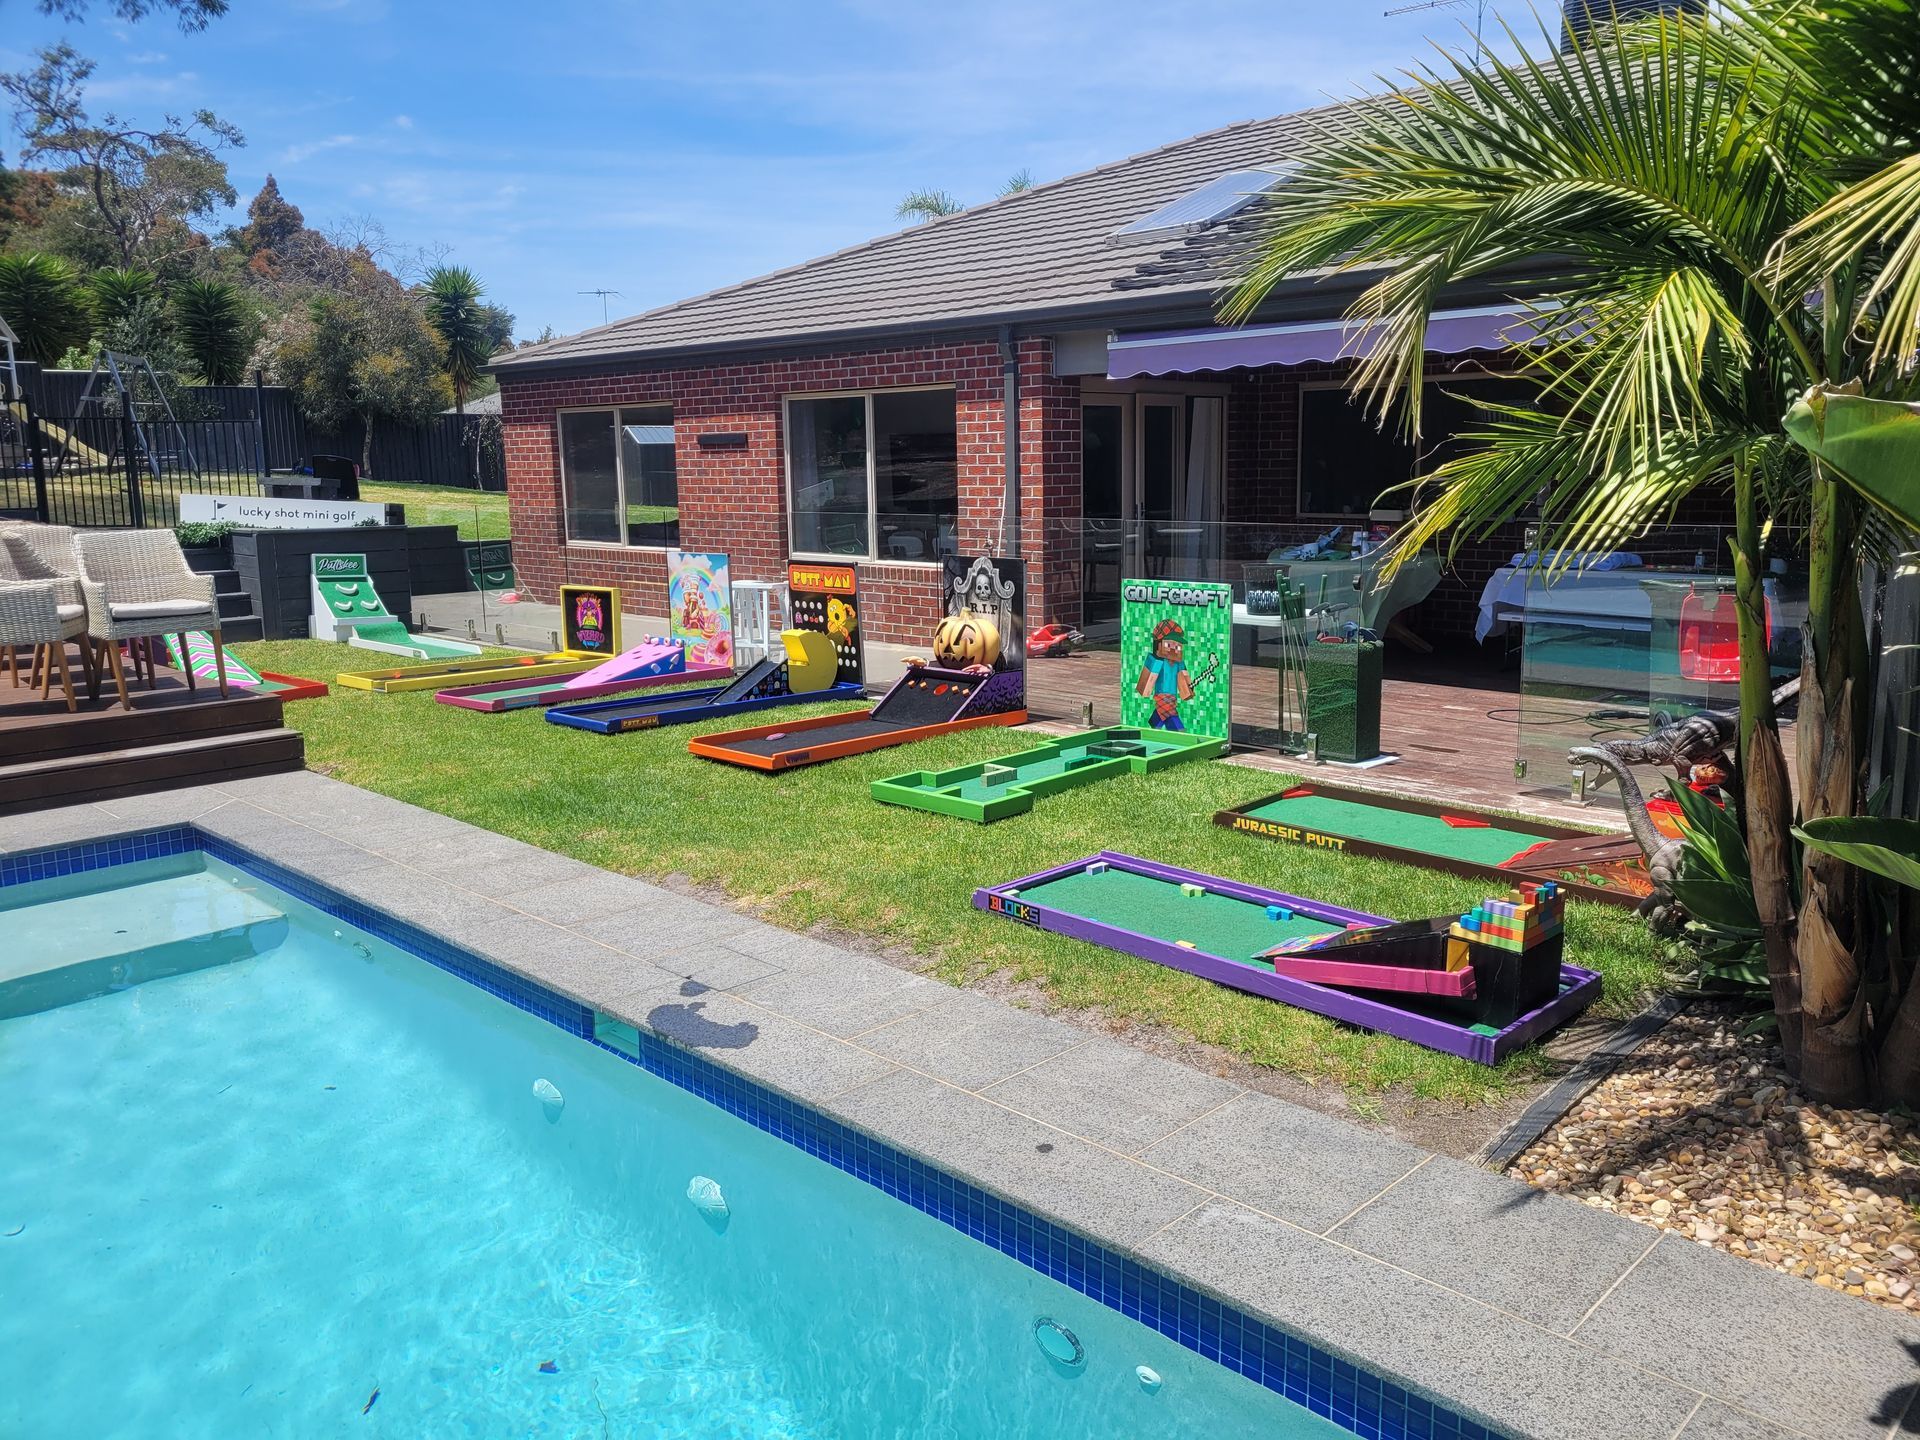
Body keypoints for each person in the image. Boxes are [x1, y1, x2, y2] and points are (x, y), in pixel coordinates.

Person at [1136, 618, 1195, 730]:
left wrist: (1189, 689)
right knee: (1176, 726)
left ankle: (1154, 724)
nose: (1173, 650)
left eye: (1177, 646)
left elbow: (1184, 682)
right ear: (1159, 645)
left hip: (1172, 698)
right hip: (1161, 696)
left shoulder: (1179, 664)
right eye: (1169, 645)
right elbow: (1146, 683)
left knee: (1161, 718)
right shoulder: (1158, 662)